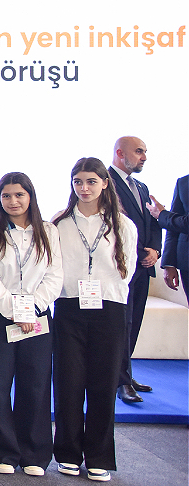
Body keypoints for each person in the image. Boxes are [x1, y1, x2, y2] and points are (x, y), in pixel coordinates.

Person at [52, 157, 136, 482]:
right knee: (68, 383)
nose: (84, 188)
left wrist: (101, 293)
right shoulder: (59, 223)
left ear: (104, 183)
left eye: (91, 181)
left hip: (109, 309)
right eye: (78, 182)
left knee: (103, 384)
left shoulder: (123, 225)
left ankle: (99, 457)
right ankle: (68, 453)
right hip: (69, 308)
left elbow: (126, 272)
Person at [0, 172, 63, 476]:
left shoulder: (49, 231)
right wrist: (15, 311)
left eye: (19, 195)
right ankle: (1, 451)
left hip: (38, 315)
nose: (13, 201)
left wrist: (32, 310)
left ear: (30, 197)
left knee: (36, 384)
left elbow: (54, 275)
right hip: (1, 314)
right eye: (6, 196)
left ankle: (34, 454)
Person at [106, 137, 161, 403]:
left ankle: (125, 374)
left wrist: (155, 250)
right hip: (120, 268)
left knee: (134, 323)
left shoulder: (141, 186)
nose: (144, 157)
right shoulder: (103, 182)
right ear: (120, 153)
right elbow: (113, 226)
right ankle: (120, 381)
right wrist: (139, 252)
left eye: (145, 152)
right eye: (139, 152)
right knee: (121, 325)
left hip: (143, 268)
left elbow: (152, 221)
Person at [148, 173, 189, 293]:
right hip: (186, 265)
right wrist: (169, 264)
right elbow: (173, 228)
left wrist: (162, 215)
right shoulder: (183, 182)